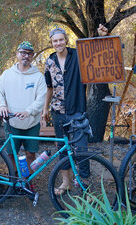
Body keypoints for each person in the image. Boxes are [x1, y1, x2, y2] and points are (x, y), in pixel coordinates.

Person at [43, 24, 109, 195]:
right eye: (55, 41)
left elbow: (96, 54)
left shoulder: (78, 55)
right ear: (52, 43)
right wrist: (45, 109)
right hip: (58, 112)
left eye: (60, 39)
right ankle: (66, 183)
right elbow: (49, 88)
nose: (58, 43)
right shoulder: (49, 61)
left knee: (81, 149)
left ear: (65, 40)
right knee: (63, 149)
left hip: (77, 111)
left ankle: (84, 184)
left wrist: (101, 36)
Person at [0, 41, 47, 179]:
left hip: (31, 123)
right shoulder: (7, 74)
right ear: (17, 54)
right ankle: (15, 179)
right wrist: (1, 105)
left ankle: (28, 181)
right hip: (12, 123)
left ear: (32, 56)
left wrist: (28, 111)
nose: (26, 56)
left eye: (29, 53)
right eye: (23, 52)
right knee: (11, 153)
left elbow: (41, 99)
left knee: (31, 154)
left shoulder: (38, 77)